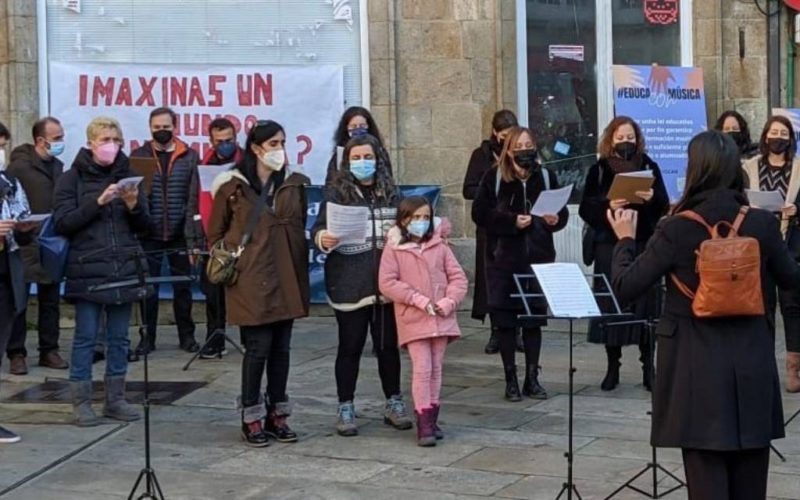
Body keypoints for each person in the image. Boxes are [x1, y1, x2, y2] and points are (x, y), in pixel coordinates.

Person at [607, 130, 800, 500]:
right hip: (751, 365)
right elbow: (792, 278)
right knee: (751, 486)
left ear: (695, 169)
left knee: (706, 482)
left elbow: (626, 286)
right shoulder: (760, 224)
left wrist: (625, 239)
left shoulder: (676, 227)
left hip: (694, 370)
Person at [208, 120, 309, 447]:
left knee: (281, 349)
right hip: (251, 278)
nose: (280, 149)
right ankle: (250, 416)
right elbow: (215, 233)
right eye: (273, 143)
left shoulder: (293, 184)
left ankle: (277, 413)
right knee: (258, 349)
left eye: (282, 142)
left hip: (287, 275)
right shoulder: (232, 186)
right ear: (255, 148)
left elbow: (299, 224)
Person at [312, 133, 412, 437]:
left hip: (386, 285)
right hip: (349, 283)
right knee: (350, 346)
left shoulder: (391, 193)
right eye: (356, 158)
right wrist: (323, 238)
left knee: (386, 347)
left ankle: (393, 402)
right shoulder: (336, 194)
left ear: (378, 159)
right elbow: (318, 230)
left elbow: (408, 228)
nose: (362, 163)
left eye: (368, 157)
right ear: (347, 162)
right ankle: (345, 406)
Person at [53, 116, 148, 427]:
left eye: (116, 140)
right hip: (87, 268)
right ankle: (80, 401)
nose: (111, 146)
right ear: (90, 143)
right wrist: (98, 201)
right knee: (85, 338)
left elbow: (145, 226)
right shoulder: (72, 178)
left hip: (123, 266)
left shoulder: (129, 175)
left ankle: (115, 399)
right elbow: (63, 222)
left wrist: (134, 205)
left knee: (120, 339)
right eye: (104, 140)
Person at [472, 126, 569, 401]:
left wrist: (555, 220)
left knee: (534, 322)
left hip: (538, 260)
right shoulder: (495, 177)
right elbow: (479, 213)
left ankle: (532, 378)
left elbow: (560, 214)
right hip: (503, 261)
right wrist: (511, 221)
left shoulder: (546, 176)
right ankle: (510, 379)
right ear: (510, 149)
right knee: (506, 322)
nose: (525, 149)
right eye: (520, 145)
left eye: (530, 144)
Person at [579, 116, 669, 392]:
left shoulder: (649, 165)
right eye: (621, 138)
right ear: (611, 140)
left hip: (643, 243)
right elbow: (586, 208)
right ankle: (612, 366)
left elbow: (664, 203)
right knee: (611, 306)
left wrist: (651, 199)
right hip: (609, 244)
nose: (626, 142)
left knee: (646, 306)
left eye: (630, 137)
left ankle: (647, 367)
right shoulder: (599, 170)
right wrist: (608, 204)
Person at [379, 196, 467, 446]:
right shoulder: (394, 248)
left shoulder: (440, 246)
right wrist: (417, 300)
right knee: (422, 368)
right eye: (415, 217)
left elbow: (458, 279)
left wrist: (449, 301)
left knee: (437, 368)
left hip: (441, 316)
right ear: (404, 219)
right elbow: (387, 282)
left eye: (425, 217)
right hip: (414, 317)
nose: (421, 222)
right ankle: (424, 422)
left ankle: (432, 415)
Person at [131, 107, 199, 355]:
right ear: (150, 128)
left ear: (175, 127)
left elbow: (193, 199)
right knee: (148, 289)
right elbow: (135, 197)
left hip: (180, 233)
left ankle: (187, 337)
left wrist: (192, 236)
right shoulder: (139, 156)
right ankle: (147, 339)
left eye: (166, 127)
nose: (162, 131)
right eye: (157, 127)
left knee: (183, 288)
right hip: (149, 234)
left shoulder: (189, 156)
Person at [5, 117, 68, 375]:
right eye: (57, 138)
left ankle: (49, 350)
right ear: (41, 140)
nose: (61, 142)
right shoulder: (19, 167)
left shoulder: (59, 166)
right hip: (23, 243)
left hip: (50, 242)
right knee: (19, 301)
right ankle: (16, 353)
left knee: (51, 300)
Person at [742, 115, 800, 393]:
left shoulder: (799, 167)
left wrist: (797, 210)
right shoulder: (750, 166)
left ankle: (793, 367)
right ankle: (762, 365)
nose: (778, 137)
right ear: (765, 137)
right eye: (774, 132)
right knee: (762, 304)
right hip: (757, 243)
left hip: (790, 243)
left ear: (790, 139)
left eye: (784, 133)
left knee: (792, 306)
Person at [463, 109, 524, 356]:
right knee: (491, 282)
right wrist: (491, 184)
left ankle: (517, 331)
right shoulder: (482, 155)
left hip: (515, 225)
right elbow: (468, 189)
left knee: (516, 279)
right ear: (495, 133)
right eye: (504, 135)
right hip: (490, 227)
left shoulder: (522, 153)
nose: (507, 140)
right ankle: (495, 331)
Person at [0, 143, 39, 443]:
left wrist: (25, 227)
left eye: (2, 146)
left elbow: (20, 215)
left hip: (6, 270)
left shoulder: (9, 182)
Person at [196, 118, 243, 359]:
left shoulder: (246, 162)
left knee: (245, 293)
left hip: (241, 238)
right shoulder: (205, 164)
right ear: (211, 141)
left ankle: (249, 340)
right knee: (213, 294)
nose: (225, 145)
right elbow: (195, 200)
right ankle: (214, 340)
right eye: (219, 142)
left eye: (229, 141)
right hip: (212, 238)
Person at [325, 106, 392, 185]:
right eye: (353, 126)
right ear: (346, 128)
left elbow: (388, 179)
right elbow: (331, 183)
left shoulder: (380, 151)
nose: (358, 129)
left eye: (362, 126)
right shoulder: (339, 155)